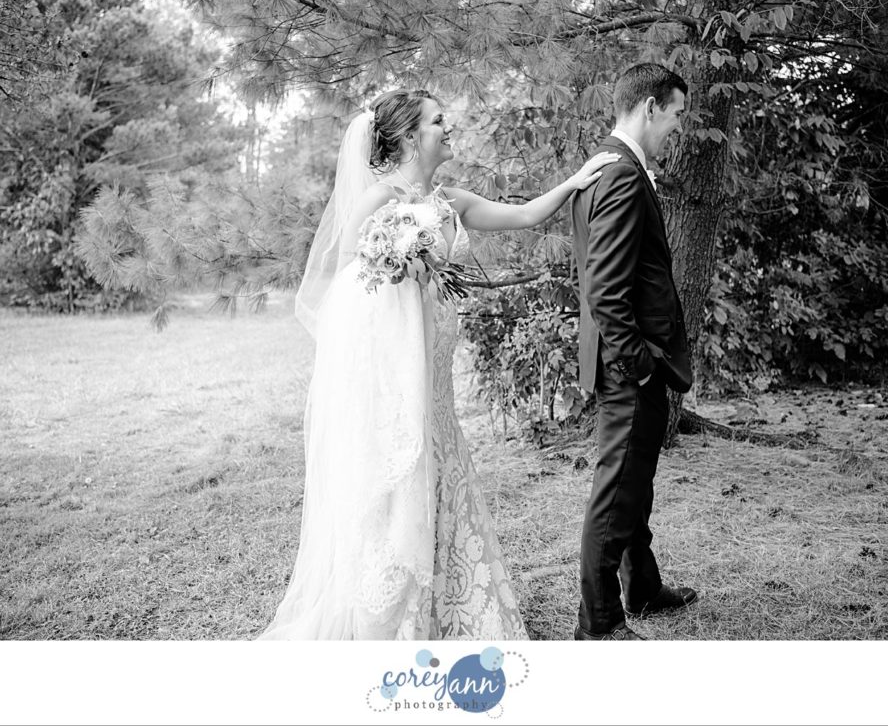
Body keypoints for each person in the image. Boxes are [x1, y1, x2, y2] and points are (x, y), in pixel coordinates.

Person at [259, 89, 618, 640]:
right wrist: (400, 270)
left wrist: (576, 180)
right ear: (409, 137)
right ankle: (395, 609)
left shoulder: (449, 199)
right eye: (438, 121)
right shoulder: (376, 202)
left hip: (439, 377)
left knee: (442, 458)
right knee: (404, 476)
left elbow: (523, 214)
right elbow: (352, 297)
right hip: (399, 378)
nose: (448, 128)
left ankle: (453, 604)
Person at [569, 63, 697, 641]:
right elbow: (604, 288)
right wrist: (638, 366)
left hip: (626, 360)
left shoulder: (607, 165)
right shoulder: (620, 174)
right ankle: (599, 624)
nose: (676, 128)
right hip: (628, 366)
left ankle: (641, 586)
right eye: (674, 115)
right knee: (616, 490)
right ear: (650, 107)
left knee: (635, 480)